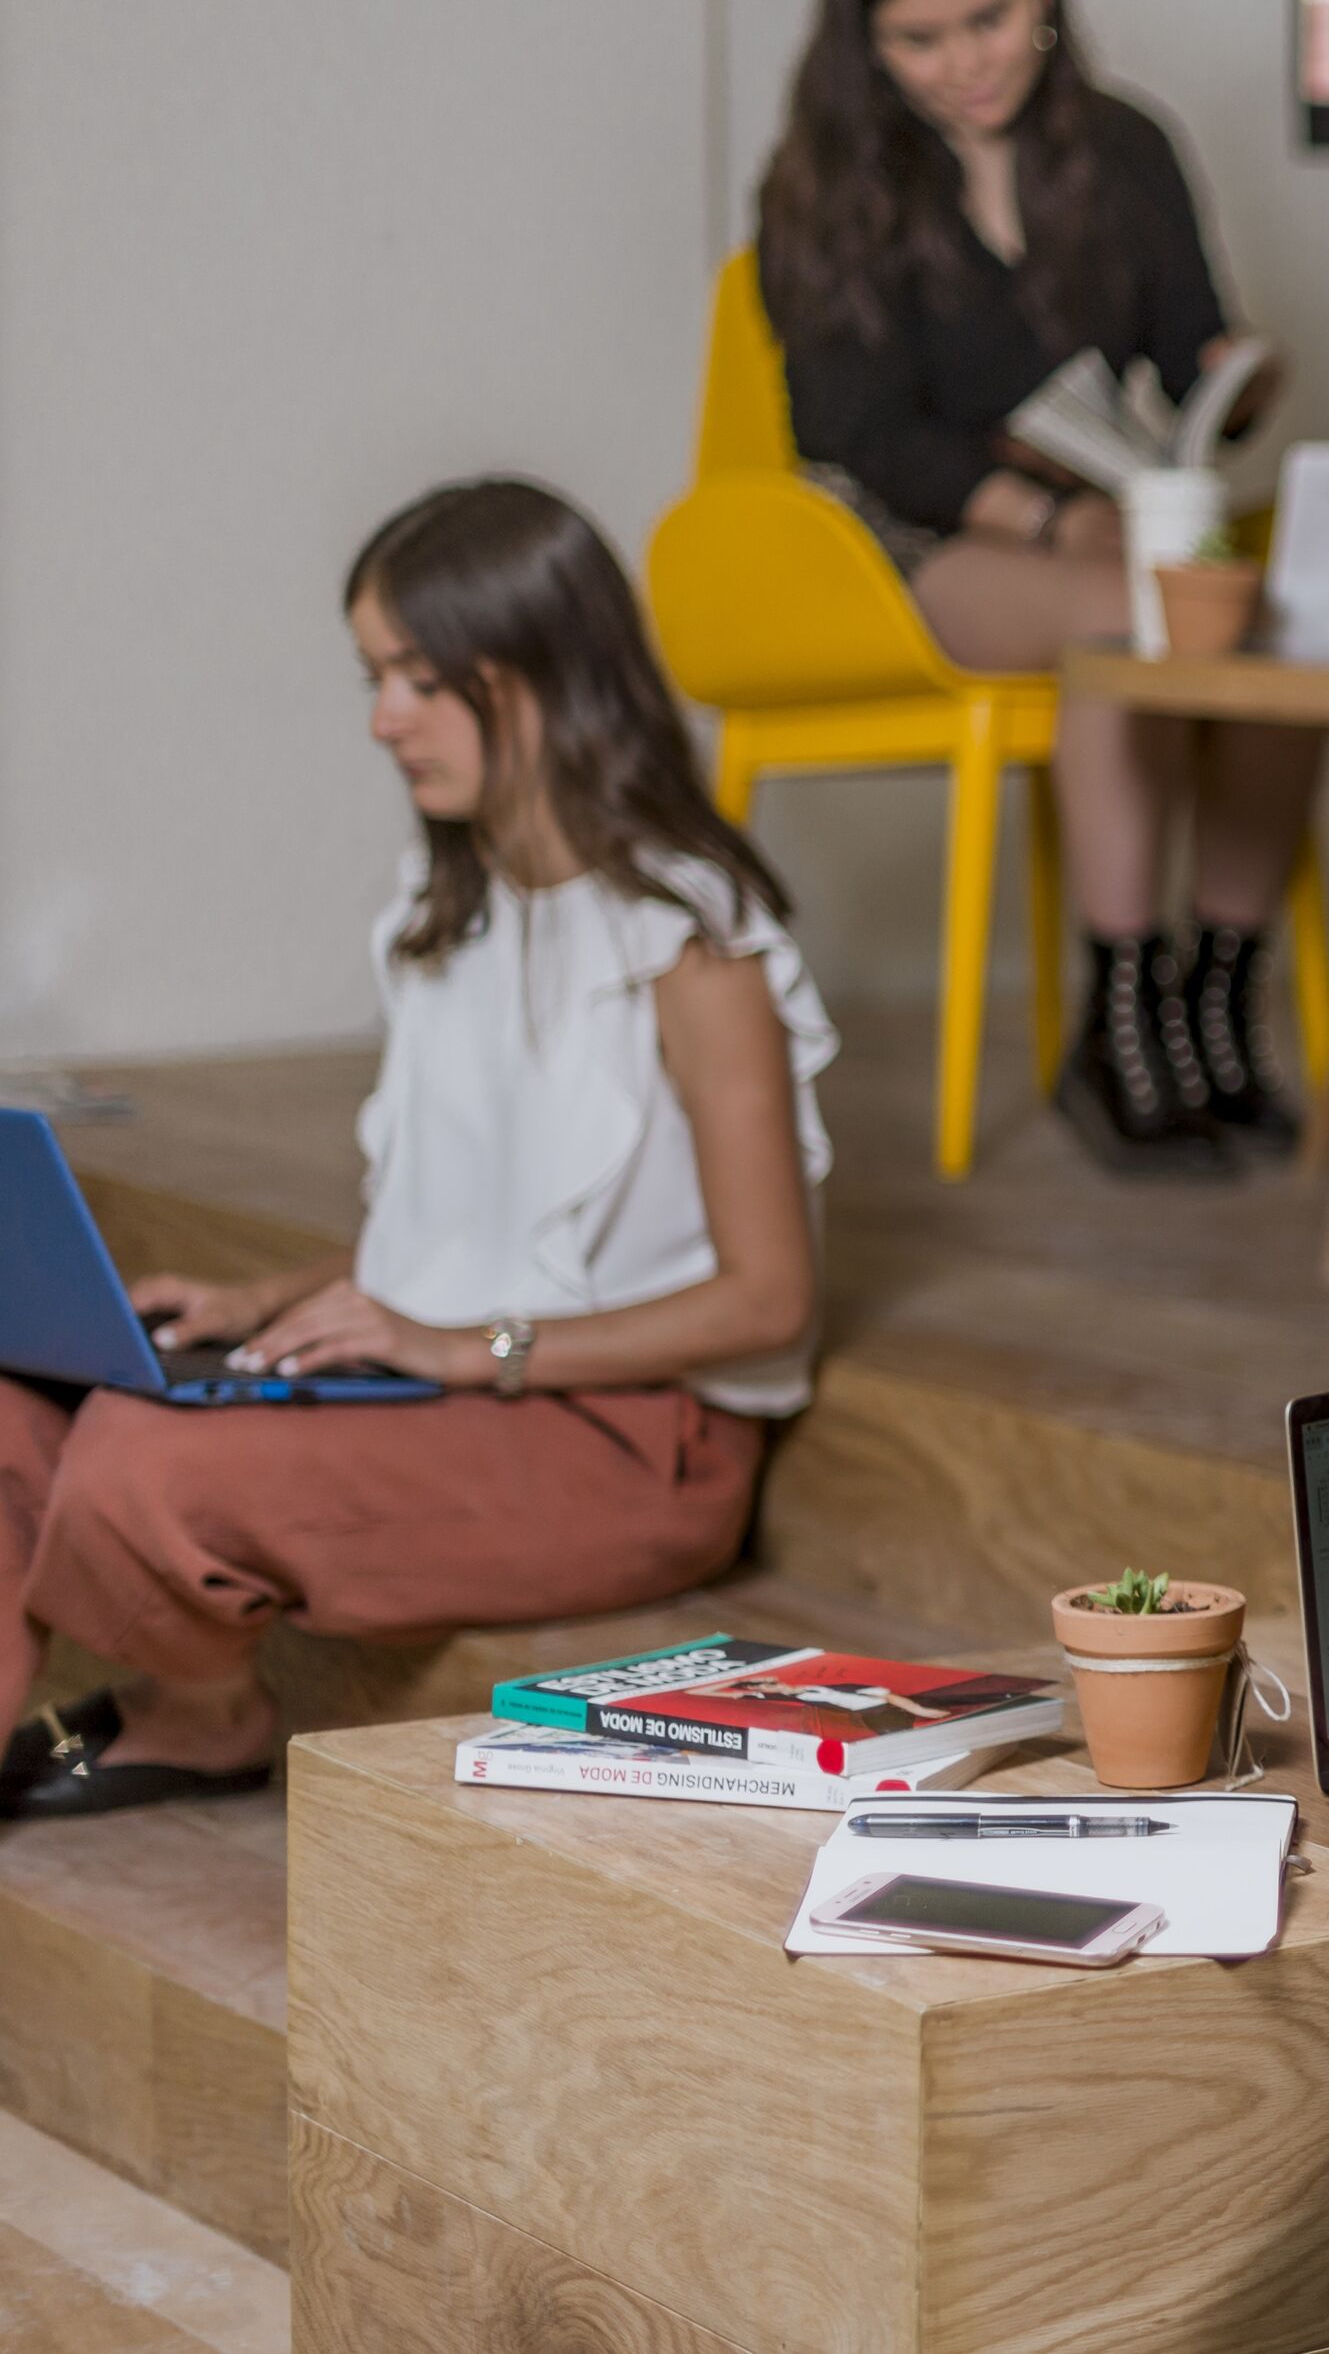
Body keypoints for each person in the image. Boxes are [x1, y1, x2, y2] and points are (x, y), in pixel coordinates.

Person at [0, 481, 833, 1822]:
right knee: (20, 1406)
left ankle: (208, 1715)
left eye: (420, 679)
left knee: (145, 1465)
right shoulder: (447, 910)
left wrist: (477, 1348)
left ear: (547, 680)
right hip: (457, 1387)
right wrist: (257, 1307)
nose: (383, 717)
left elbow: (767, 1300)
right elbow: (491, 1230)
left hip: (631, 1438)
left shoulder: (694, 947)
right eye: (375, 675)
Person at [757, 0, 1316, 1177]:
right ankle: (1119, 1026)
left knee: (1275, 637)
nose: (964, 63)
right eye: (919, 38)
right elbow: (854, 433)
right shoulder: (821, 185)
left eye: (989, 20)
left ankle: (1214, 1003)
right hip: (924, 542)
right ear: (866, 42)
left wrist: (1234, 386)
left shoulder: (1126, 149)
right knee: (1131, 629)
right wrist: (1044, 518)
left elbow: (1189, 356)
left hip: (1112, 519)